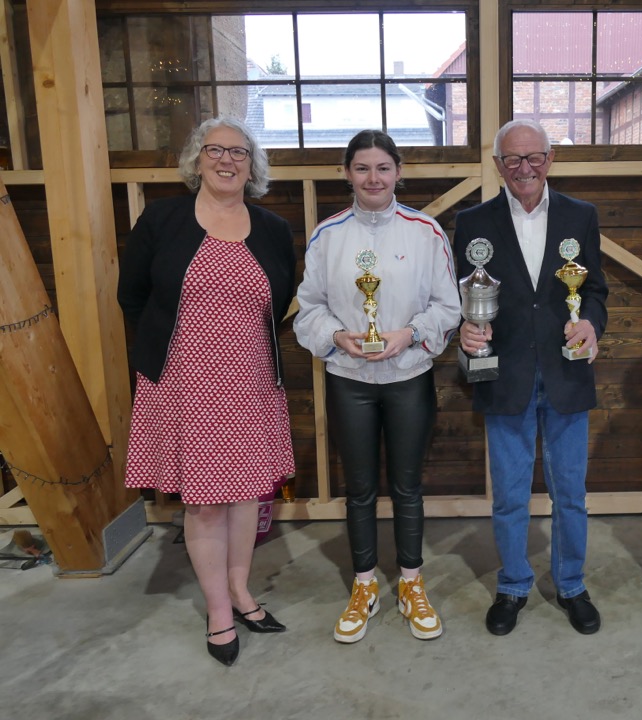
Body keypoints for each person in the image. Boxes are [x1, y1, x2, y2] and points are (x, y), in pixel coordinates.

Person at [118, 117, 296, 666]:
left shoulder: (272, 228)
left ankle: (241, 591)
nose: (226, 160)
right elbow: (132, 296)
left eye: (239, 153)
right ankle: (219, 610)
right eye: (215, 150)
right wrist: (169, 357)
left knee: (247, 497)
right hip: (183, 386)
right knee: (205, 505)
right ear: (197, 160)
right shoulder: (163, 219)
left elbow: (279, 300)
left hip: (250, 383)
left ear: (252, 165)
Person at [294, 130, 460, 644]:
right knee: (360, 488)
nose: (373, 178)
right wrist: (337, 336)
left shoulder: (426, 232)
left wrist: (408, 334)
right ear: (347, 174)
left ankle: (411, 582)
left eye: (383, 168)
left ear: (398, 172)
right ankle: (364, 584)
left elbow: (448, 306)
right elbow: (309, 308)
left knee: (408, 486)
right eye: (362, 168)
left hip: (409, 376)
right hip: (350, 380)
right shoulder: (328, 236)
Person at [455, 119, 609, 636]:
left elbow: (595, 291)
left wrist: (591, 323)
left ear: (550, 159)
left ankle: (572, 585)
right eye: (513, 159)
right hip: (505, 376)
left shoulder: (581, 216)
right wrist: (464, 330)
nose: (525, 168)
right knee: (509, 495)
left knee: (571, 494)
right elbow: (462, 296)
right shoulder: (472, 222)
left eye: (534, 157)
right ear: (498, 164)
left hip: (567, 372)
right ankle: (513, 585)